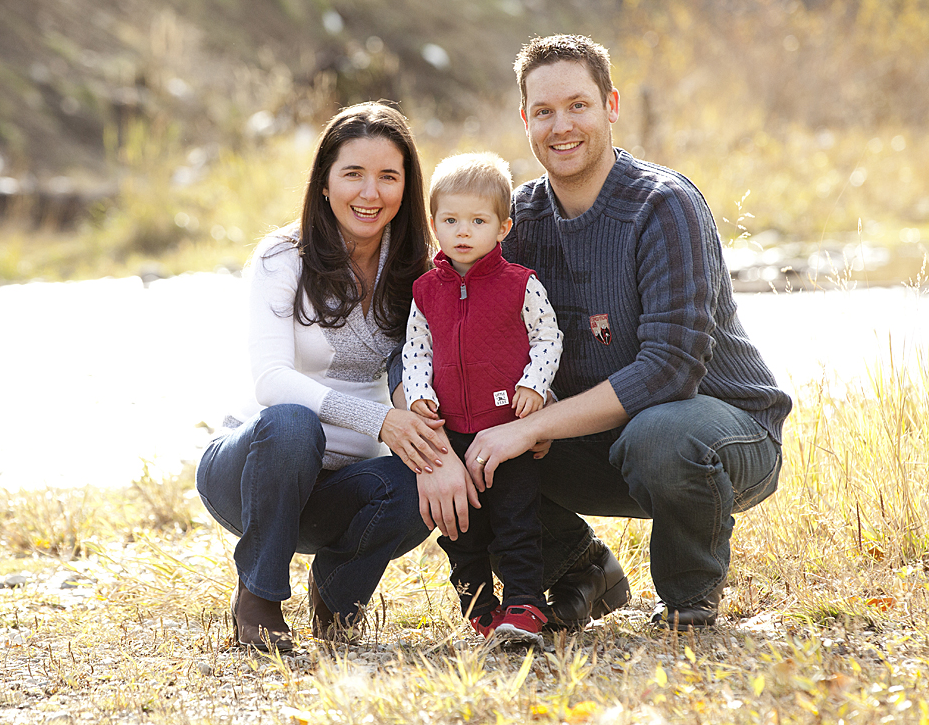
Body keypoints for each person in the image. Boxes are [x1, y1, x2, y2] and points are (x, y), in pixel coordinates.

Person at [450, 34, 792, 630]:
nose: (562, 126)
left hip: (719, 432)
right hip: (598, 441)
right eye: (545, 111)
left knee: (662, 433)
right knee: (472, 441)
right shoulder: (516, 222)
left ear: (611, 105)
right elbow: (449, 322)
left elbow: (669, 370)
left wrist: (530, 426)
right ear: (525, 119)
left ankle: (689, 599)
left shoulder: (664, 207)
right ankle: (580, 570)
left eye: (578, 105)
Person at [196, 101, 454, 651]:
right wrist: (381, 421)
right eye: (353, 174)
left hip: (344, 486)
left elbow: (421, 371)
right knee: (292, 423)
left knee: (424, 479)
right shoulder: (281, 257)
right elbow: (271, 380)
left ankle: (337, 599)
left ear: (407, 188)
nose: (370, 192)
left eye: (388, 176)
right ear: (324, 183)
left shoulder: (419, 270)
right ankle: (259, 599)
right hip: (254, 470)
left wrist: (433, 443)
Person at [401, 153, 562, 645]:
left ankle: (525, 606)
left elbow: (548, 338)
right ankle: (479, 609)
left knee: (515, 521)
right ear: (434, 225)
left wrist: (534, 385)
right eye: (450, 221)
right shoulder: (426, 290)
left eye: (477, 220)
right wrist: (419, 397)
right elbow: (416, 349)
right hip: (452, 431)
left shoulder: (520, 284)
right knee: (460, 528)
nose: (463, 231)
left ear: (503, 226)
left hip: (505, 430)